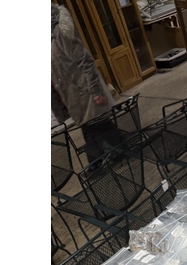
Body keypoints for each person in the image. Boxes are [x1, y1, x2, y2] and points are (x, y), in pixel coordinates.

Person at [51, 4, 118, 166]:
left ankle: (113, 154)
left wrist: (96, 91)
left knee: (98, 126)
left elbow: (85, 61)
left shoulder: (61, 32)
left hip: (85, 92)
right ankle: (97, 162)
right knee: (90, 127)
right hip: (72, 96)